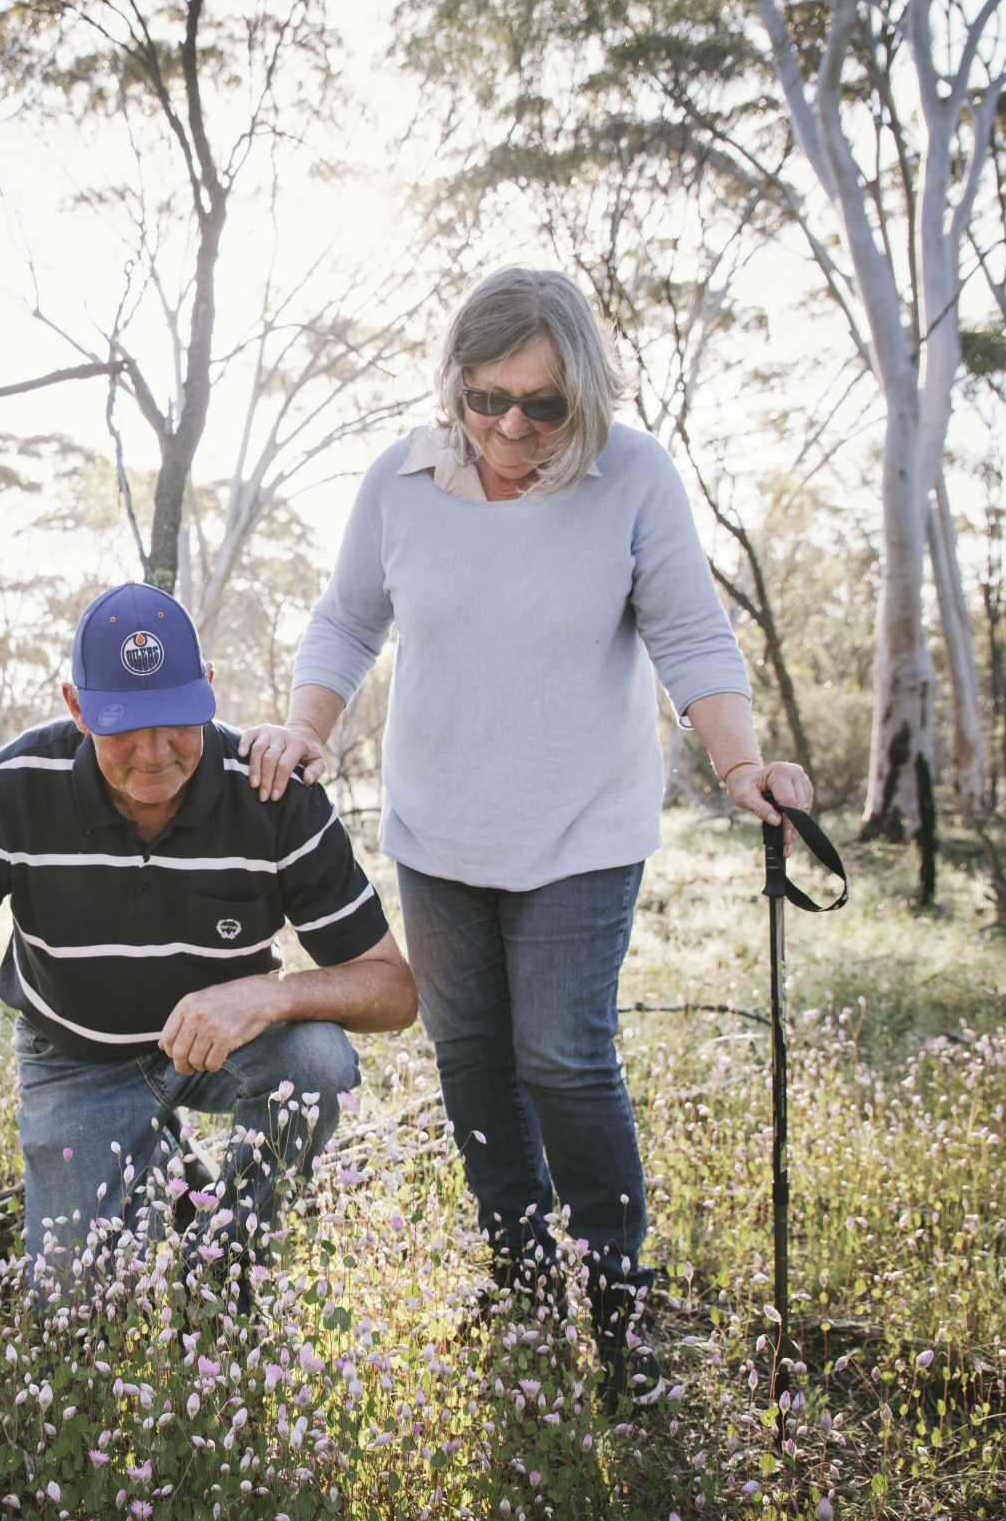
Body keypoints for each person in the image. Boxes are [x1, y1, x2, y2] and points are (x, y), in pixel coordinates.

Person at [242, 266, 816, 1391]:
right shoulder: (400, 478)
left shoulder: (633, 476)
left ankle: (616, 1294)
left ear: (582, 395)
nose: (511, 425)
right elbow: (348, 617)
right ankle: (518, 1276)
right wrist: (307, 723)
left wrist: (742, 761)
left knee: (560, 1051)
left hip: (580, 827)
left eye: (542, 404)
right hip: (437, 829)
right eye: (486, 396)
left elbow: (691, 634)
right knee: (471, 1058)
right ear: (453, 385)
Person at [0, 582, 418, 1300]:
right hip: (76, 1058)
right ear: (76, 706)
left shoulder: (271, 789)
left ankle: (224, 1263)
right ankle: (157, 1152)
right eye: (122, 724)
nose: (154, 753)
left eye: (175, 717)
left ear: (206, 689)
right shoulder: (12, 787)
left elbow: (394, 989)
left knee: (318, 1060)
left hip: (221, 1047)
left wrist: (268, 993)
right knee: (82, 1313)